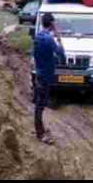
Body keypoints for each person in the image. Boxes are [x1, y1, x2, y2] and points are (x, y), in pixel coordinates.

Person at [33, 13, 66, 145]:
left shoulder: (38, 37)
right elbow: (61, 53)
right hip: (46, 75)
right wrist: (59, 38)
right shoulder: (49, 39)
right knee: (41, 104)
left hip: (39, 72)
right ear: (52, 24)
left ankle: (39, 129)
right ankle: (40, 133)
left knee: (39, 104)